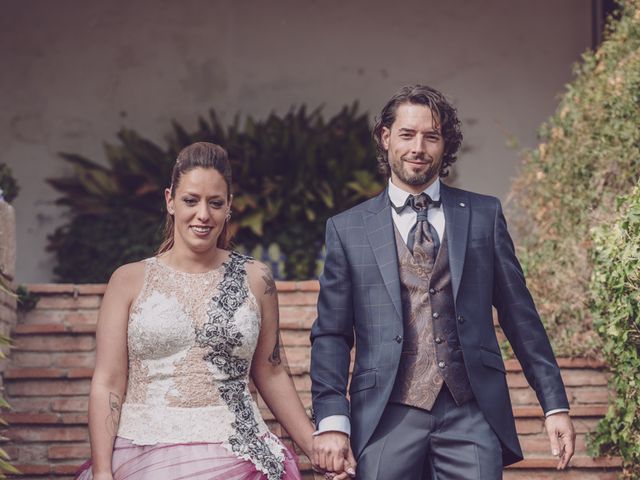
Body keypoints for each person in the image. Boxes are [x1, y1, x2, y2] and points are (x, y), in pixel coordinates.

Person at [310, 85, 576, 479]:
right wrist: (332, 419)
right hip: (385, 416)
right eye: (407, 134)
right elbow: (331, 334)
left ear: (444, 143)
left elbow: (521, 316)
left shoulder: (484, 215)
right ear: (386, 138)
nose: (418, 147)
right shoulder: (347, 229)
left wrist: (554, 404)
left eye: (431, 136)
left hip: (470, 413)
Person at [76, 142, 314, 480]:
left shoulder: (256, 278)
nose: (203, 214)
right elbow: (109, 382)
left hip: (240, 458)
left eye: (215, 203)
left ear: (229, 207)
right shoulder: (128, 280)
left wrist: (314, 446)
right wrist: (102, 471)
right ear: (170, 200)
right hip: (146, 457)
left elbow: (271, 372)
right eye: (191, 200)